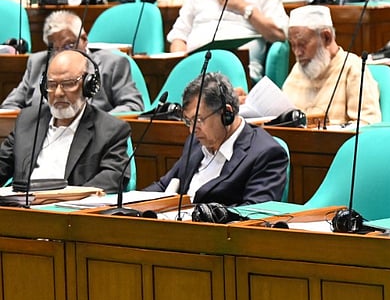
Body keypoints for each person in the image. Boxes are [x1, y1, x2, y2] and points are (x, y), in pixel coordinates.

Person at [144, 73, 289, 206]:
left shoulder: (266, 153)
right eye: (188, 121)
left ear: (227, 113)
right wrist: (128, 203)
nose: (192, 129)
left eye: (198, 119)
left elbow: (254, 213)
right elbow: (164, 185)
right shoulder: (195, 142)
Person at [0, 49, 131, 193]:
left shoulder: (111, 129)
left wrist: (68, 197)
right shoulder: (27, 120)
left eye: (68, 84)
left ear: (89, 85)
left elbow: (114, 176)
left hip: (69, 211)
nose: (58, 93)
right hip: (21, 209)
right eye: (51, 85)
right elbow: (2, 164)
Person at [2, 11, 142, 114]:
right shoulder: (38, 63)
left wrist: (98, 123)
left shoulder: (113, 64)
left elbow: (132, 105)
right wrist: (28, 124)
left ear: (84, 39)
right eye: (54, 48)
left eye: (68, 45)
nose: (61, 53)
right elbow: (9, 106)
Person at [281, 5, 381, 125]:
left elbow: (367, 124)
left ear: (326, 38)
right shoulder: (299, 68)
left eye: (302, 44)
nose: (297, 52)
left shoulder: (353, 68)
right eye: (293, 45)